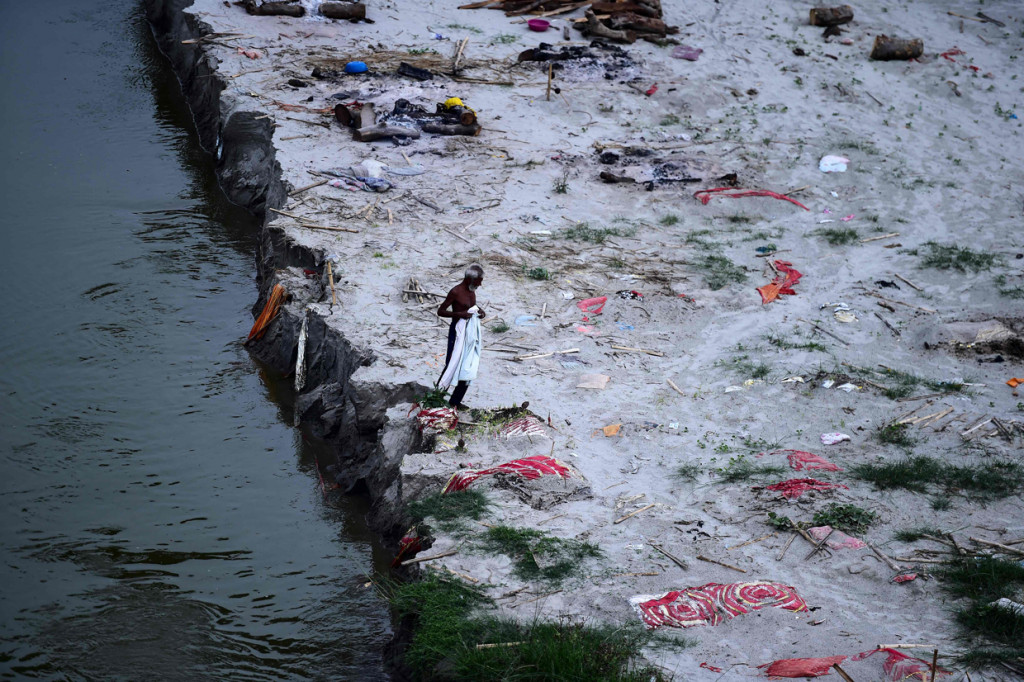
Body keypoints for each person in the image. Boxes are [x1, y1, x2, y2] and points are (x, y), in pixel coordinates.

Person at [436, 264, 487, 409]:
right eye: (478, 282)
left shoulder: (472, 291)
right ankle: (437, 399)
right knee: (451, 364)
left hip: (469, 332)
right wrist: (459, 314)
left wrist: (480, 311)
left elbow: (471, 306)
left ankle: (455, 401)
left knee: (468, 366)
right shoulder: (456, 292)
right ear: (470, 279)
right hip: (457, 332)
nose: (480, 285)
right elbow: (441, 311)